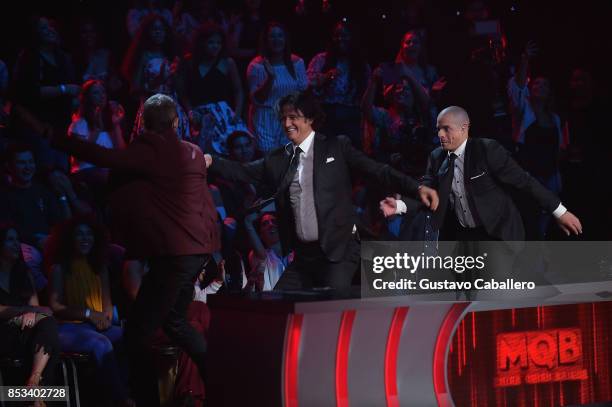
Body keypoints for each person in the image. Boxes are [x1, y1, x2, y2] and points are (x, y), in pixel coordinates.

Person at [51, 93, 220, 406]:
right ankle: (221, 384)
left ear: (145, 124)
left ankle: (146, 401)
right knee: (176, 322)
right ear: (175, 122)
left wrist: (54, 137)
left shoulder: (153, 150)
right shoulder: (194, 151)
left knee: (138, 333)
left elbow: (104, 157)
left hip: (177, 254)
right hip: (199, 250)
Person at [207, 90, 437, 295]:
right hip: (304, 258)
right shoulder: (278, 159)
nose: (287, 123)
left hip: (339, 252)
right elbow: (241, 171)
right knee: (278, 306)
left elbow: (379, 171)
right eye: (283, 118)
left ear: (310, 118)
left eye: (293, 117)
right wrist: (209, 160)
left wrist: (416, 187)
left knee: (330, 310)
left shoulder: (337, 147)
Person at [381, 106, 582, 242]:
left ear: (464, 128)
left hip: (499, 234)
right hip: (465, 239)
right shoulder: (436, 157)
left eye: (446, 129)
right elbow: (428, 196)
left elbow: (525, 182)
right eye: (438, 129)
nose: (440, 135)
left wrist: (560, 212)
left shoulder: (487, 150)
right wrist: (400, 205)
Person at [46, 217, 134, 407]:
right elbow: (55, 306)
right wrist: (89, 314)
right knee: (100, 343)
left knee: (130, 336)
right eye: (79, 234)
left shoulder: (100, 268)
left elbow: (107, 304)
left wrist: (106, 318)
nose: (85, 238)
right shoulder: (59, 269)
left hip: (96, 323)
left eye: (89, 234)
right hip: (68, 327)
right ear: (69, 239)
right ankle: (120, 399)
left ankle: (120, 391)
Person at [0, 223, 60, 406]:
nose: (16, 244)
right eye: (10, 240)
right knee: (48, 336)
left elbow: (38, 309)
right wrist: (24, 311)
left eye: (18, 240)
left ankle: (34, 382)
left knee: (47, 326)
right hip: (3, 331)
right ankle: (39, 394)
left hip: (23, 332)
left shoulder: (24, 274)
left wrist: (32, 313)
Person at [246, 22, 307, 152]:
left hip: (289, 117)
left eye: (280, 36)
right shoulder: (256, 66)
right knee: (270, 159)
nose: (276, 40)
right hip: (265, 118)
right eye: (272, 36)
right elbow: (257, 100)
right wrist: (270, 78)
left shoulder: (297, 63)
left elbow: (303, 90)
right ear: (266, 40)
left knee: (289, 160)